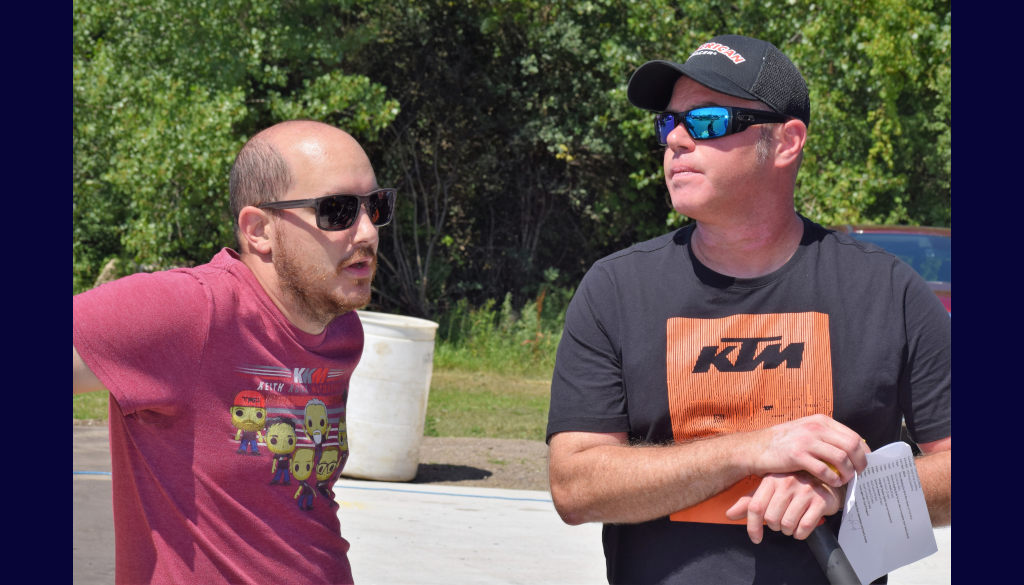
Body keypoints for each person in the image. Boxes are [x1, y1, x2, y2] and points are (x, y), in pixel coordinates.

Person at [546, 34, 950, 584]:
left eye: (708, 121)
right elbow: (575, 485)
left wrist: (844, 493)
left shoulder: (887, 290)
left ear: (786, 143)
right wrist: (752, 450)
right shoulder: (616, 288)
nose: (678, 141)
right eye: (670, 124)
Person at [73, 120, 397, 584]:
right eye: (338, 210)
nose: (367, 231)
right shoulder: (192, 311)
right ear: (259, 229)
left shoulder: (341, 329)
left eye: (377, 206)